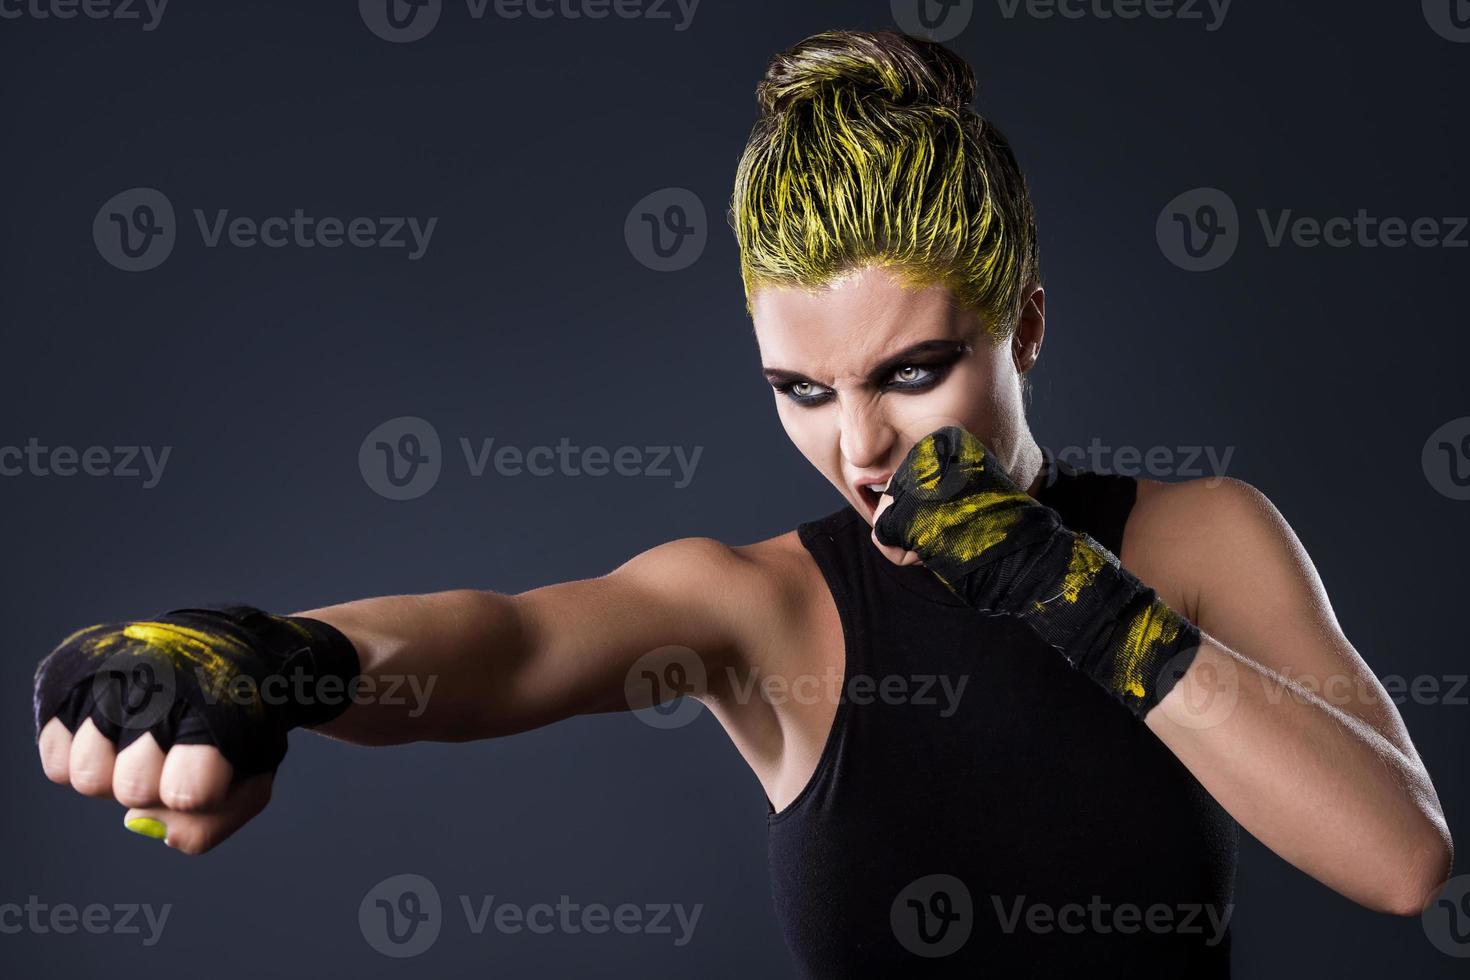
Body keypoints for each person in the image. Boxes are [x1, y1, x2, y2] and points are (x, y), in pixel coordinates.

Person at [32, 28, 1453, 977]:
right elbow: (512, 644)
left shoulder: (1199, 537)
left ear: (1022, 326)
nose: (861, 445)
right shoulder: (769, 608)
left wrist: (1075, 600)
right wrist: (282, 658)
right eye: (802, 390)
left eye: (909, 372)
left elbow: (1399, 862)